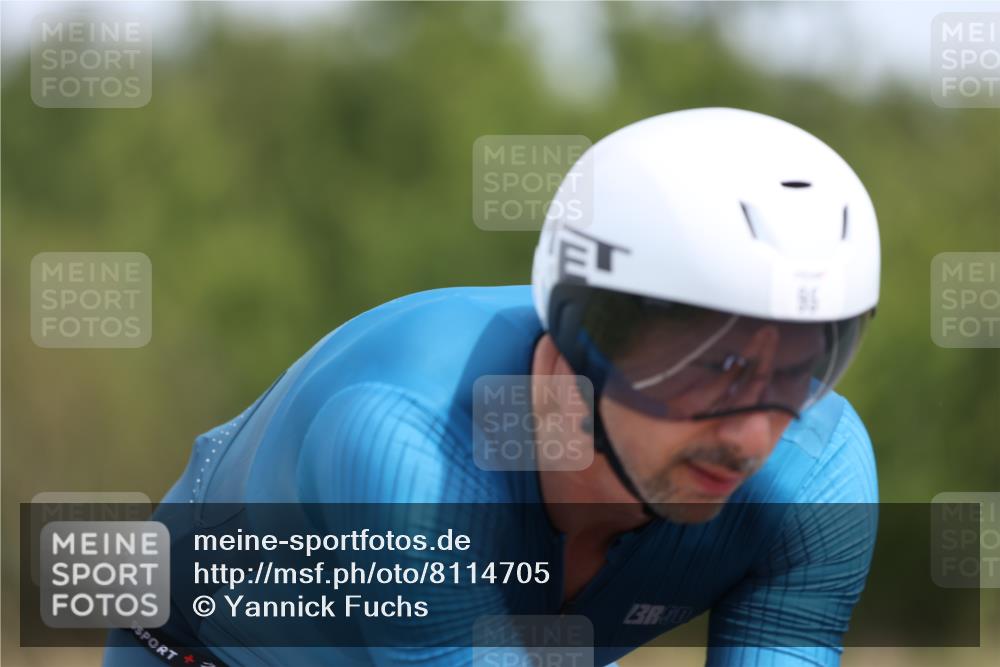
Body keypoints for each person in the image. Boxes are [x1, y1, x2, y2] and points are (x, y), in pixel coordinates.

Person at [104, 107, 880, 666]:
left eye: (798, 368)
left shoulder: (820, 472)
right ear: (584, 335)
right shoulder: (400, 439)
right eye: (712, 368)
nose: (753, 435)